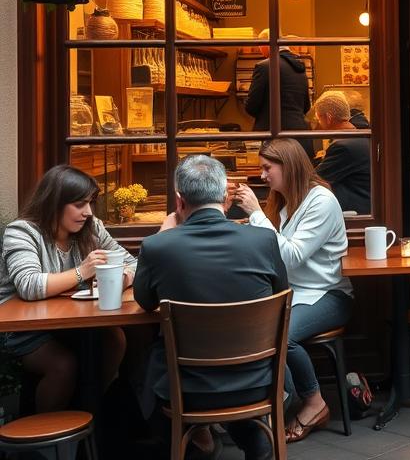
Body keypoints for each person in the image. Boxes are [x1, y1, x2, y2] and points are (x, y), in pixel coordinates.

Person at [134, 155, 288, 460]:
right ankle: (253, 438)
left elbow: (145, 301)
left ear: (179, 202)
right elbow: (279, 294)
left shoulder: (158, 247)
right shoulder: (264, 240)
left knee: (142, 363)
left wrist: (163, 234)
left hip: (188, 389)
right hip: (260, 381)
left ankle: (189, 445)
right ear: (225, 198)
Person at [233, 138, 353, 444]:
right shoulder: (286, 201)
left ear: (288, 165)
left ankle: (314, 402)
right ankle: (269, 408)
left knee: (281, 335)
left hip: (328, 294)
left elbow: (291, 255)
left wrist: (257, 214)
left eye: (267, 168)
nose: (262, 176)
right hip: (293, 294)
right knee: (259, 330)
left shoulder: (321, 201)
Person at [0, 165, 135, 412]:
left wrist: (122, 278)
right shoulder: (22, 231)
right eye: (80, 204)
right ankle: (49, 444)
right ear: (55, 202)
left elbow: (133, 263)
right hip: (28, 329)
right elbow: (29, 284)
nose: (88, 212)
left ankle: (88, 412)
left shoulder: (92, 228)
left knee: (116, 339)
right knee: (63, 365)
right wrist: (83, 272)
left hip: (76, 323)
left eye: (91, 203)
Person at [244, 29, 313, 158]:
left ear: (265, 43)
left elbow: (251, 107)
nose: (260, 50)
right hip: (300, 137)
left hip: (273, 139)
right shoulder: (300, 68)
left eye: (259, 46)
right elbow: (306, 106)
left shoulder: (264, 67)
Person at [313, 91, 371, 215]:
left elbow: (315, 178)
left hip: (354, 211)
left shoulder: (343, 146)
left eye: (318, 119)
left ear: (328, 118)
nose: (319, 124)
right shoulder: (358, 135)